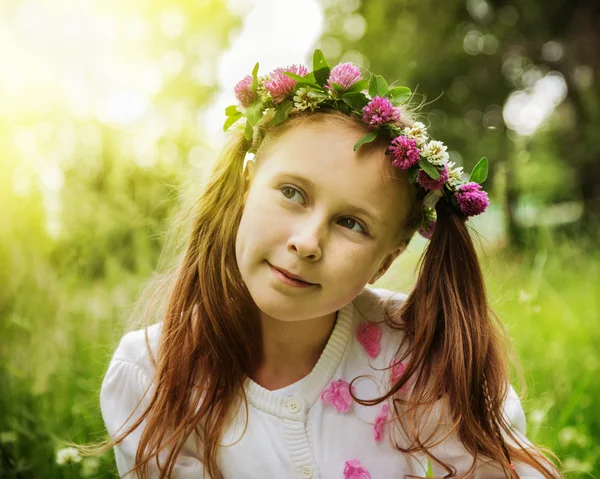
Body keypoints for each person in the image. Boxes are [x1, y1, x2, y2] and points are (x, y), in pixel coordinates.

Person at [98, 50, 562, 478]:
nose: (307, 243)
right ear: (246, 185)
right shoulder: (151, 374)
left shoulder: (419, 357)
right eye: (292, 193)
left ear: (387, 259)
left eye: (351, 223)